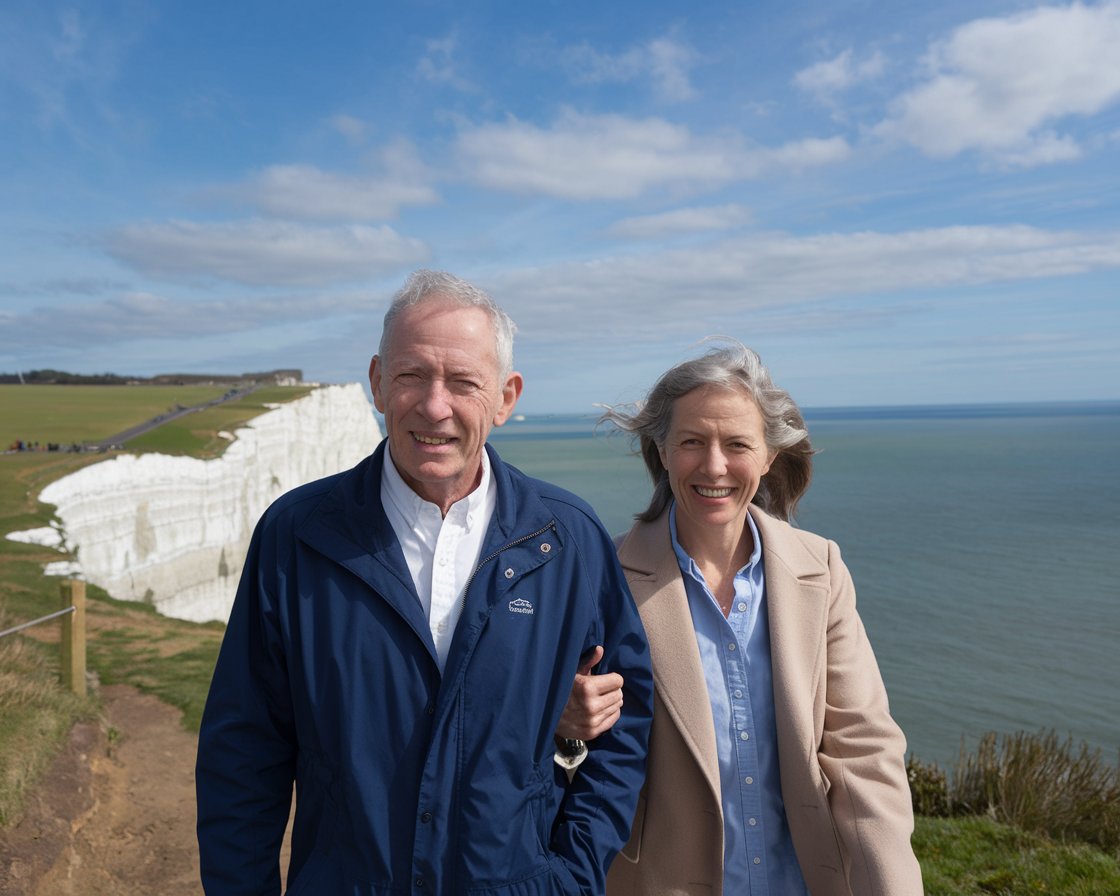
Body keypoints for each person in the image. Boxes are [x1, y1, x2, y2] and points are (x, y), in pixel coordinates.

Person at [196, 270, 653, 896]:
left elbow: (624, 723)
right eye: (412, 375)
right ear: (378, 382)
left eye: (464, 382)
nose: (434, 405)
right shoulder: (298, 535)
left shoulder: (567, 540)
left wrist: (569, 876)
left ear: (505, 397)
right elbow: (243, 754)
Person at [562, 340, 922, 895]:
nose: (714, 466)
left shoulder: (820, 569)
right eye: (691, 442)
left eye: (736, 444)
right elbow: (555, 753)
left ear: (769, 455)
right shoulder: (601, 579)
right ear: (660, 449)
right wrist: (564, 724)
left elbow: (863, 750)